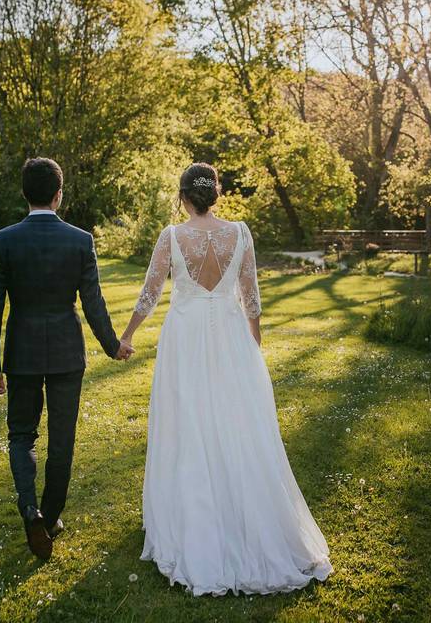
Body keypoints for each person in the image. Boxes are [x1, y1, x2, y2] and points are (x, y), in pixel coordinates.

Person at [119, 162, 332, 595]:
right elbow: (251, 297)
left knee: (189, 422)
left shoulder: (172, 237)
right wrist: (253, 345)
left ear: (183, 196)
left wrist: (126, 336)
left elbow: (151, 293)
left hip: (186, 336)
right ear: (216, 194)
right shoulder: (241, 233)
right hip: (232, 337)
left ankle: (195, 521)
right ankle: (242, 515)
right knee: (238, 423)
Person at [0, 157, 132, 560]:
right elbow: (93, 300)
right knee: (62, 438)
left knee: (21, 434)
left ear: (24, 193)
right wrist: (112, 344)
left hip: (21, 353)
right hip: (66, 352)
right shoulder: (80, 240)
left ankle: (30, 507)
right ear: (59, 194)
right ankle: (50, 518)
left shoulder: (3, 241)